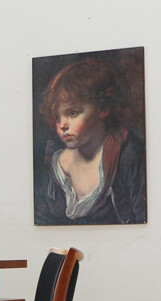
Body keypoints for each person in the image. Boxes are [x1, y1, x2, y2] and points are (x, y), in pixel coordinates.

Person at [34, 57, 146, 225]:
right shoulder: (53, 162)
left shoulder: (128, 154)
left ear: (103, 109)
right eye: (58, 117)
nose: (63, 125)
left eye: (73, 113)